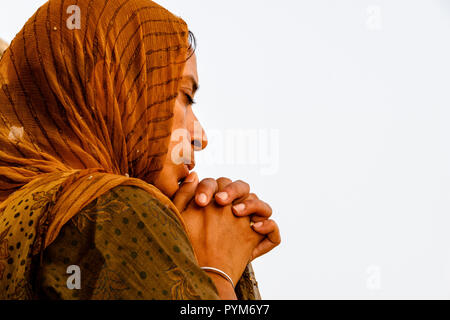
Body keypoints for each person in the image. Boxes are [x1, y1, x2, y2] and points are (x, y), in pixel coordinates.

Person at [0, 0, 280, 300]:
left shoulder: (18, 218)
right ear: (107, 89)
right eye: (185, 96)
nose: (201, 136)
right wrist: (217, 270)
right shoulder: (115, 210)